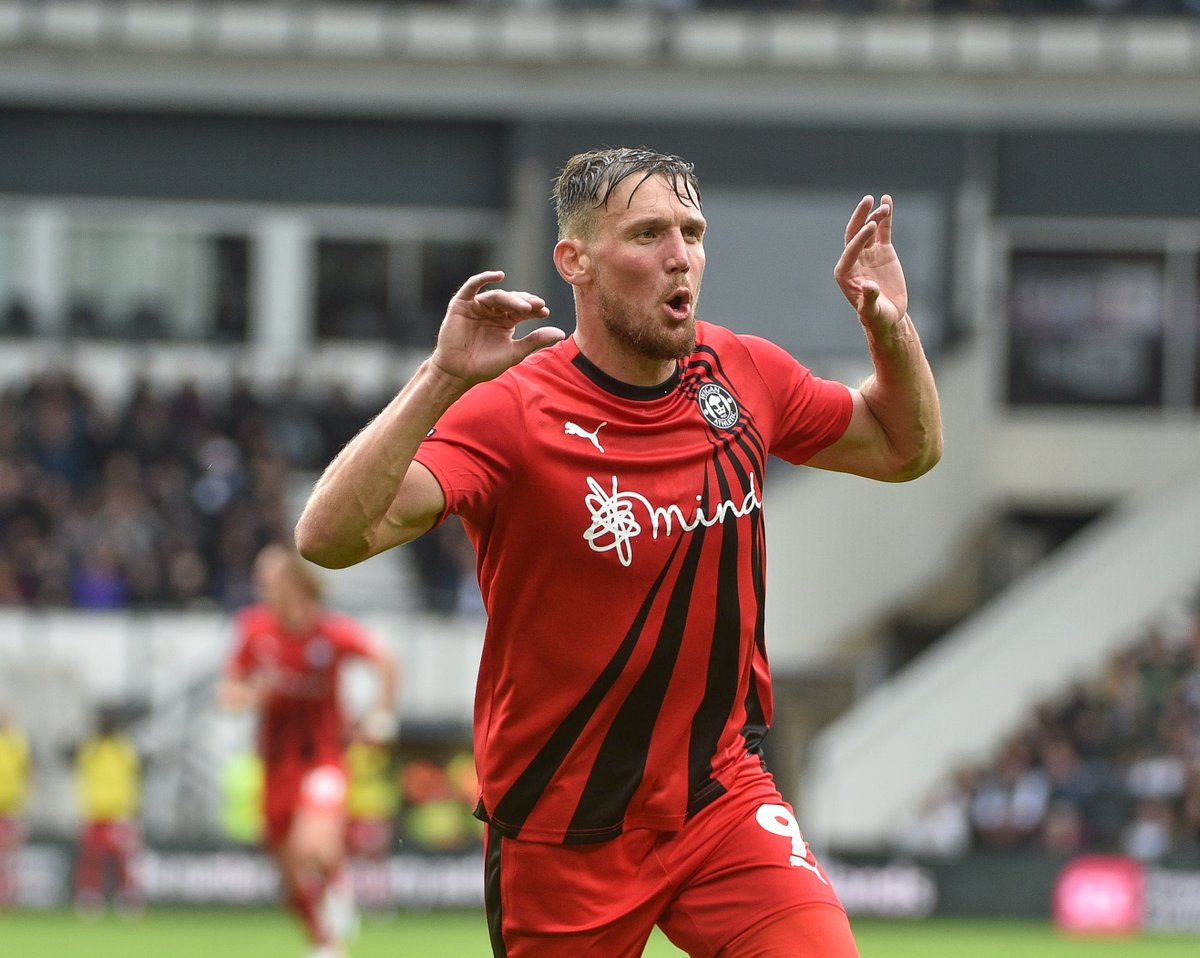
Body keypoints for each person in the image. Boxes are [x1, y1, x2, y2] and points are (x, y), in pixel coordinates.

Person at [295, 146, 942, 958]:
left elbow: (902, 447)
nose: (681, 255)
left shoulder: (742, 371)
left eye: (693, 231)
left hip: (720, 798)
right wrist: (440, 377)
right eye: (647, 234)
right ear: (576, 262)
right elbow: (327, 538)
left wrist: (892, 327)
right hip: (562, 827)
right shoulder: (513, 412)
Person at [219, 543, 399, 958]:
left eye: (269, 577)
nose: (261, 585)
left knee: (312, 845)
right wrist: (251, 694)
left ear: (295, 583)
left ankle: (339, 885)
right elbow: (227, 693)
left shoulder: (329, 632)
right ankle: (326, 944)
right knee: (287, 872)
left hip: (322, 756)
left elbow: (386, 660)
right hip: (275, 762)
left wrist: (381, 718)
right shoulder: (254, 630)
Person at [72, 708, 144, 917]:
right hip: (93, 812)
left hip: (120, 813)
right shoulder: (90, 746)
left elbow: (140, 770)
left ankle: (128, 899)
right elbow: (66, 754)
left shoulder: (125, 747)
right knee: (91, 859)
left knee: (125, 860)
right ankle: (91, 898)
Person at [0, 708, 31, 908]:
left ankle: (9, 897)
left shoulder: (16, 741)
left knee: (10, 856)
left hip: (10, 808)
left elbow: (26, 771)